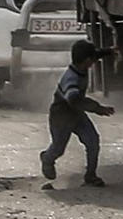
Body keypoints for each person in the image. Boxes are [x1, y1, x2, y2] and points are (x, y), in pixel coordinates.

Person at [40, 39, 116, 188]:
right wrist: (98, 108)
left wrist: (109, 51)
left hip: (76, 114)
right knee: (58, 148)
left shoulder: (81, 66)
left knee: (92, 140)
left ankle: (90, 176)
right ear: (86, 61)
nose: (93, 62)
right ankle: (47, 158)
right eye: (91, 60)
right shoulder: (71, 79)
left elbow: (95, 55)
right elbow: (74, 99)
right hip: (61, 116)